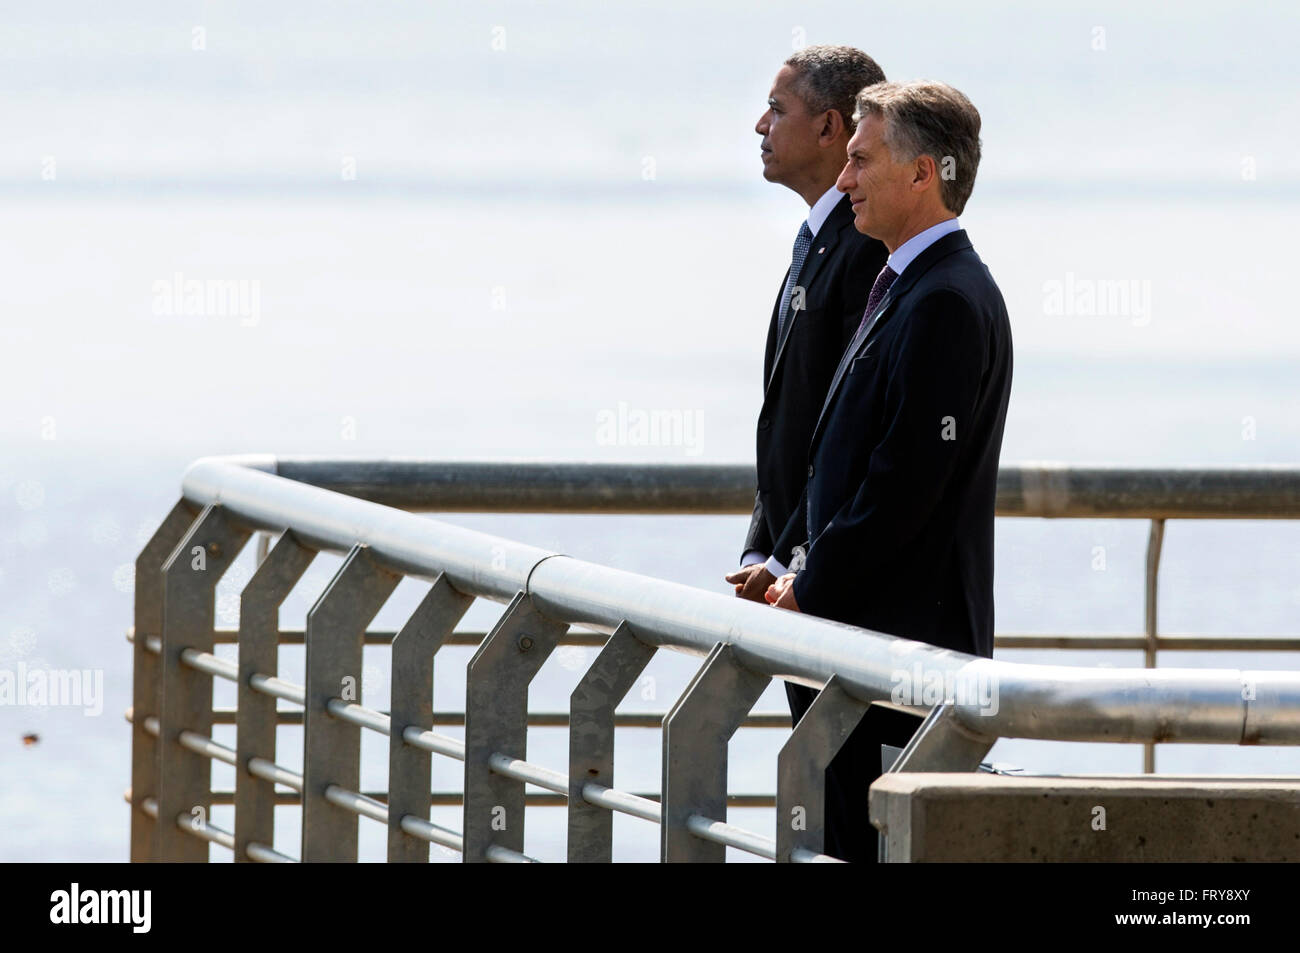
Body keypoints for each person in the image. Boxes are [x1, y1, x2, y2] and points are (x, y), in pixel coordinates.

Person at [767, 80, 1014, 862]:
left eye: (860, 161)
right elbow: (843, 455)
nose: (844, 182)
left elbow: (902, 484)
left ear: (923, 175)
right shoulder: (905, 284)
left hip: (901, 659)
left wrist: (807, 587)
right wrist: (788, 564)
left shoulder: (944, 298)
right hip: (865, 647)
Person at [723, 50, 889, 829]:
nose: (760, 125)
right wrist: (762, 549)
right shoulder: (817, 238)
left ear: (829, 125)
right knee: (821, 801)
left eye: (777, 109)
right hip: (797, 581)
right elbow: (786, 423)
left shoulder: (865, 251)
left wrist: (796, 562)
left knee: (850, 815)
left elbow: (850, 441)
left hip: (836, 590)